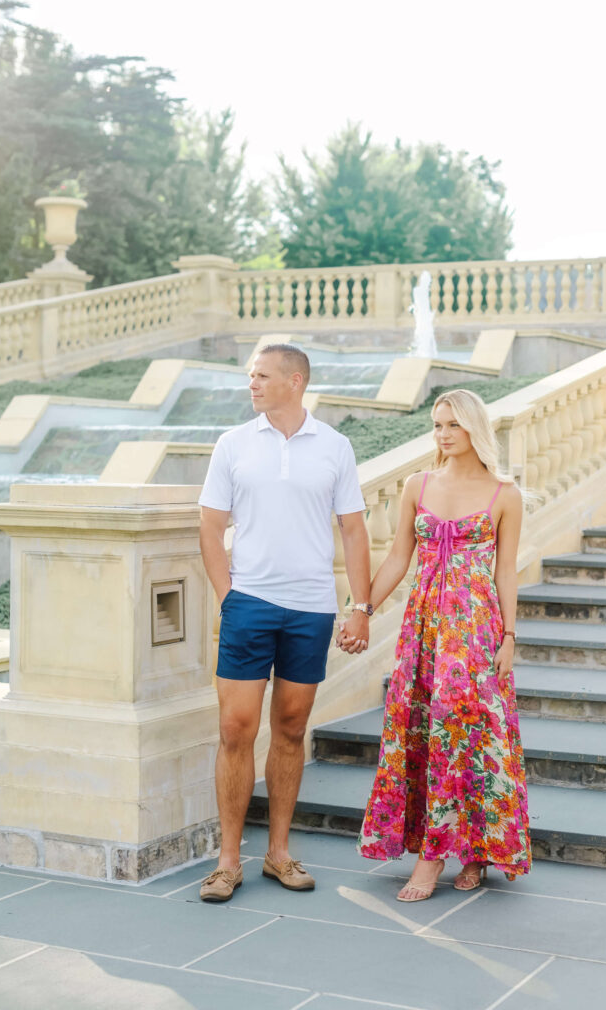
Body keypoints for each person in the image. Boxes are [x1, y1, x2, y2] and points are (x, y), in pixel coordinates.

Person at [198, 343, 371, 902]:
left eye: (262, 375)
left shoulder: (334, 447)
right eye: (250, 375)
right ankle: (228, 861)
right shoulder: (232, 444)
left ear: (295, 381)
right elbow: (210, 527)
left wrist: (360, 607)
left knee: (292, 729)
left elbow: (353, 530)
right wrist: (230, 597)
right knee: (235, 729)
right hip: (249, 603)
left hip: (312, 608)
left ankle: (278, 852)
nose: (252, 384)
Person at [354, 388, 531, 900]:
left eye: (453, 424)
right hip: (425, 631)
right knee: (425, 733)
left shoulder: (505, 495)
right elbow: (396, 559)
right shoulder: (418, 485)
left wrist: (509, 638)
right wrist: (360, 608)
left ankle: (457, 855)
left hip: (475, 634)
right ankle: (439, 847)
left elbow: (506, 573)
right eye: (437, 425)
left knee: (469, 736)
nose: (443, 434)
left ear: (475, 429)